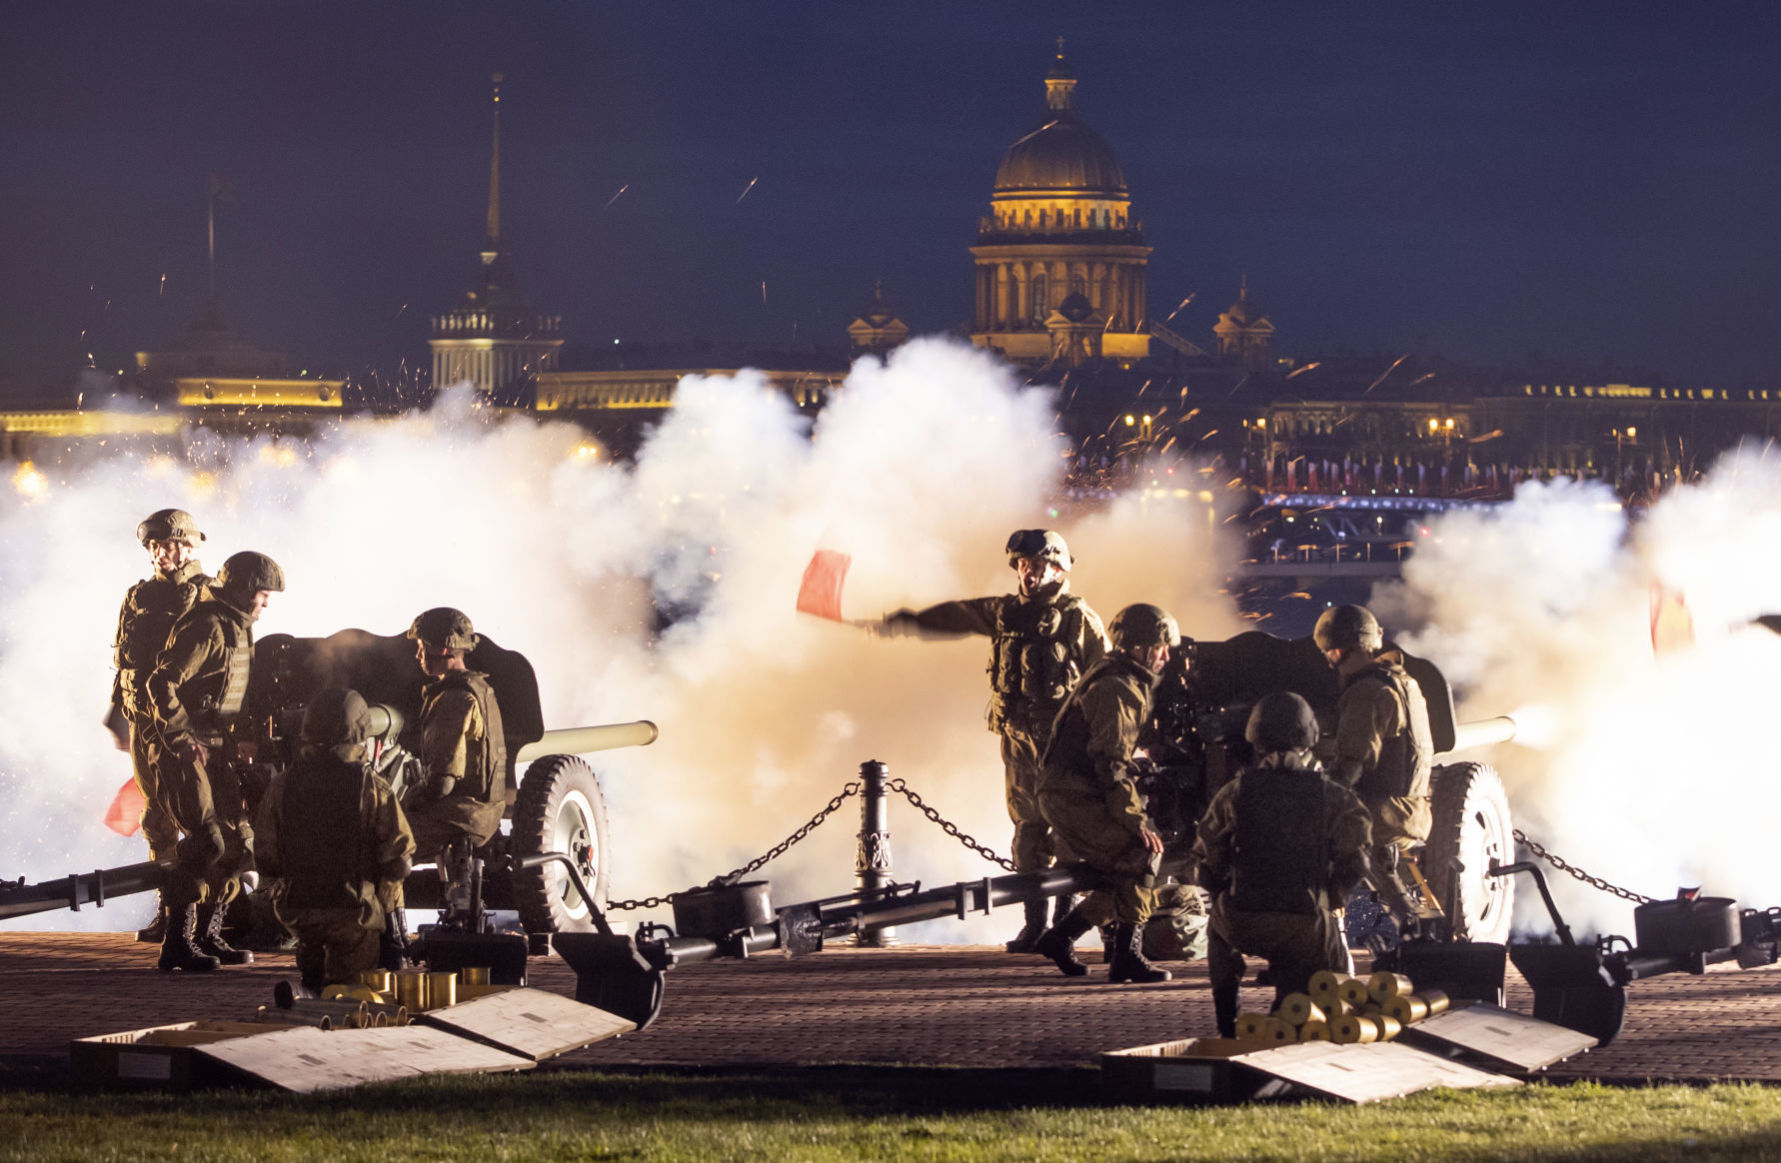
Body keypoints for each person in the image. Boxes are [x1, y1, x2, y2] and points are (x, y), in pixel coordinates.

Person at [873, 530, 1109, 952]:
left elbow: (1105, 679)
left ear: (1057, 568)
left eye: (1035, 566)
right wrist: (907, 621)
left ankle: (1061, 931)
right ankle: (1034, 926)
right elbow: (958, 615)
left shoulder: (1077, 617)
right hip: (1018, 741)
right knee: (1027, 830)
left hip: (1064, 746)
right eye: (1022, 566)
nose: (1028, 574)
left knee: (1069, 834)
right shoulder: (1006, 612)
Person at [1191, 691, 1372, 1036]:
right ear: (1310, 739)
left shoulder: (1234, 792)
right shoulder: (1334, 796)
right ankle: (1289, 1011)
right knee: (1315, 985)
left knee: (1218, 928)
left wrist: (1224, 894)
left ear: (1255, 740)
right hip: (1306, 925)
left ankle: (1227, 1021)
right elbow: (1357, 862)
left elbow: (1205, 861)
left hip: (1244, 920)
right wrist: (1330, 898)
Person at [145, 549, 285, 971]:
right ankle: (178, 943)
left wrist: (244, 739)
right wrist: (181, 737)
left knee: (238, 843)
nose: (266, 603)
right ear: (243, 591)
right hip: (183, 752)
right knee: (207, 841)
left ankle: (208, 935)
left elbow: (230, 695)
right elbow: (160, 683)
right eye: (262, 594)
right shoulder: (206, 627)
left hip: (215, 751)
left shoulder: (237, 629)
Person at [1031, 602, 1175, 984]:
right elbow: (1109, 763)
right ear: (1140, 648)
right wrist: (1136, 821)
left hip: (1068, 789)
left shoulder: (1113, 675)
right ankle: (1125, 957)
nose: (1166, 655)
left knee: (1121, 877)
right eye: (1160, 646)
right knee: (1142, 855)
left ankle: (1060, 938)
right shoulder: (1119, 687)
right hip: (1072, 795)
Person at [255, 687, 415, 993]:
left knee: (315, 972)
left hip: (298, 912)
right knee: (353, 994)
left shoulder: (282, 785)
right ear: (360, 734)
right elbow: (400, 860)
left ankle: (311, 983)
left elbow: (266, 858)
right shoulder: (371, 787)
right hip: (353, 915)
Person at [111, 509, 211, 943]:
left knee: (198, 819)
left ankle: (199, 921)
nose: (160, 552)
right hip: (142, 721)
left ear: (189, 547)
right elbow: (125, 660)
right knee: (156, 818)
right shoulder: (138, 596)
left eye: (169, 544)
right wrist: (117, 711)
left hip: (181, 723)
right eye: (154, 545)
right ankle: (170, 911)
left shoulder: (207, 595)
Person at [1313, 604, 1436, 928]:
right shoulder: (1404, 682)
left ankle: (1317, 936)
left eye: (1329, 652)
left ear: (1338, 650)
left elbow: (1352, 764)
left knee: (1309, 828)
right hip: (1412, 808)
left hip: (1386, 813)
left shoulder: (1366, 692)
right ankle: (1410, 922)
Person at [403, 607, 507, 925]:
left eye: (422, 645)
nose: (419, 654)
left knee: (377, 840)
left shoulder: (452, 699)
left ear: (443, 648)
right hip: (482, 809)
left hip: (461, 814)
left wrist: (402, 803)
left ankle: (377, 933)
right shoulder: (480, 689)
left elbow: (442, 783)